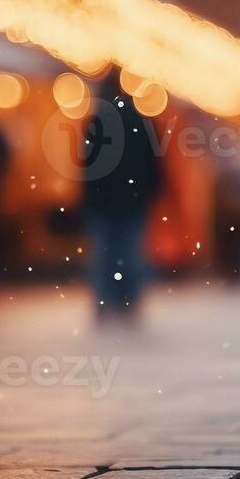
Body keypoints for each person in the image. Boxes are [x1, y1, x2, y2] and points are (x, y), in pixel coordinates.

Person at [81, 73, 163, 324]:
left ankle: (105, 302)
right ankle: (128, 301)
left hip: (105, 202)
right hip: (133, 200)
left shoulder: (98, 120)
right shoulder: (141, 121)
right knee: (130, 253)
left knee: (105, 255)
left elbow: (89, 167)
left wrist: (90, 198)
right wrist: (149, 192)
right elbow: (154, 164)